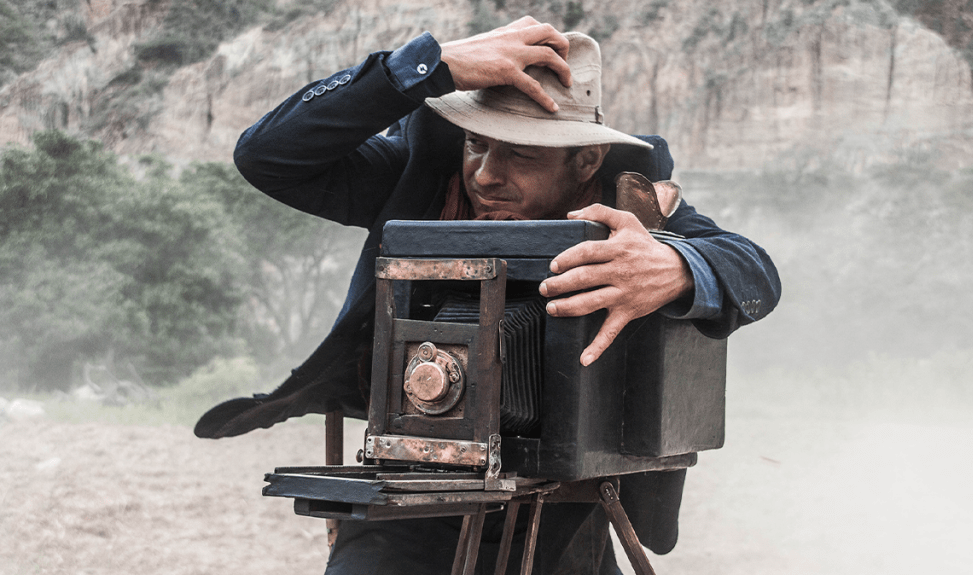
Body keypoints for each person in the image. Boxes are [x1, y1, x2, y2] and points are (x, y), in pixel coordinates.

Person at [196, 17, 781, 575]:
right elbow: (266, 156)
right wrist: (426, 66)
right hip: (415, 481)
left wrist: (677, 266)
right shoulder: (420, 174)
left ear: (585, 160)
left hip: (569, 499)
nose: (486, 175)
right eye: (477, 144)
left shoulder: (628, 205)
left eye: (521, 153)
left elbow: (754, 271)